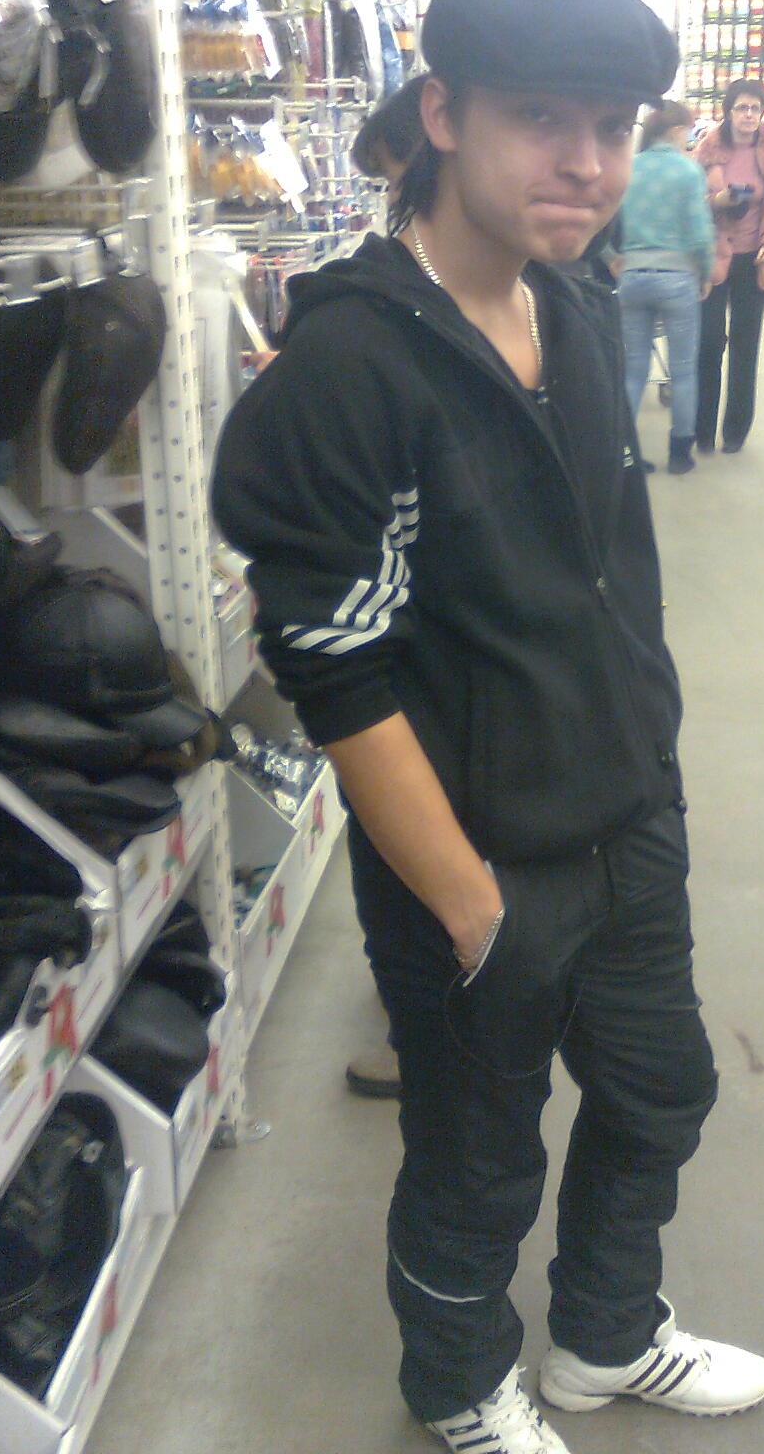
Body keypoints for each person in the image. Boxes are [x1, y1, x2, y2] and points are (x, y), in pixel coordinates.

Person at [212, 0, 764, 1454]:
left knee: (660, 1090)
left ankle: (604, 1334)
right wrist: (468, 905)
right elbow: (336, 672)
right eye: (542, 117)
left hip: (622, 814)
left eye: (615, 125)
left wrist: (652, 768)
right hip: (476, 857)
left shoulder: (571, 310)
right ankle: (460, 1383)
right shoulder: (348, 368)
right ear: (445, 114)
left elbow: (609, 575)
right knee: (474, 1156)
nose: (586, 161)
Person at [338, 78, 427, 1100]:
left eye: (396, 176)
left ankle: (421, 1030)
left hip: (419, 631)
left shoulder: (408, 294)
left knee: (402, 823)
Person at [692, 79, 764, 454]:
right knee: (708, 344)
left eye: (755, 108)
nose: (749, 115)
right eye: (741, 108)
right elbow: (689, 206)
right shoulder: (705, 153)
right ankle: (702, 430)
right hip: (713, 257)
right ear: (728, 111)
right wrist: (716, 201)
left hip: (754, 260)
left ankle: (735, 431)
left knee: (745, 346)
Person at [616, 100, 715, 474]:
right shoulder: (688, 171)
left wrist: (612, 257)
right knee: (683, 370)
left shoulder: (629, 167)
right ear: (676, 131)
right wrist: (705, 272)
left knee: (633, 369)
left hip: (632, 277)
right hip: (677, 279)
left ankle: (625, 453)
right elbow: (700, 232)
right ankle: (679, 454)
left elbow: (603, 220)